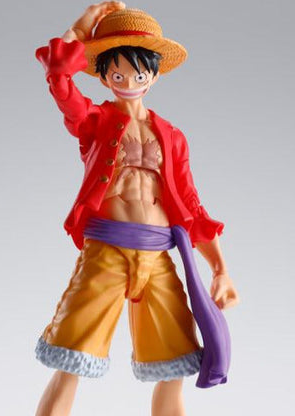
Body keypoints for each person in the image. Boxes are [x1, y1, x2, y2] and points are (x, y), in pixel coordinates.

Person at [34, 3, 239, 416]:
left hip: (158, 257)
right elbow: (60, 80)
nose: (128, 82)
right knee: (70, 359)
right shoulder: (95, 121)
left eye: (139, 74)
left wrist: (220, 269)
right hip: (106, 254)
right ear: (104, 77)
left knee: (174, 365)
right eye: (118, 75)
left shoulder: (172, 136)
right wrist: (79, 30)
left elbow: (191, 206)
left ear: (155, 75)